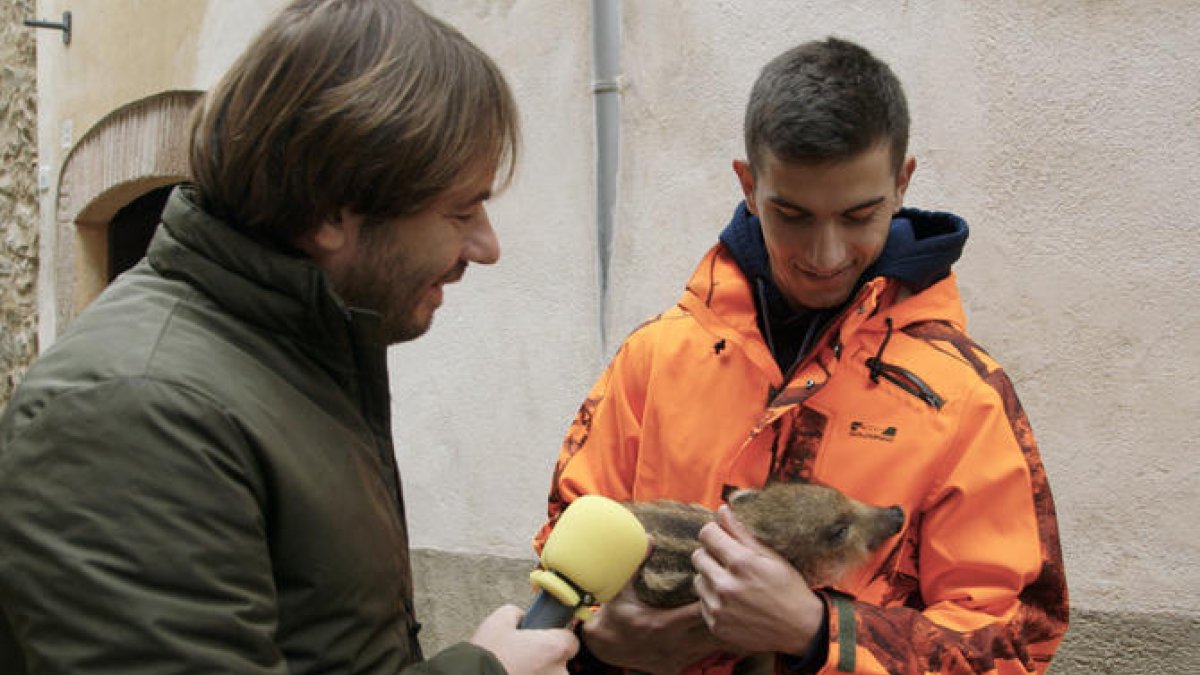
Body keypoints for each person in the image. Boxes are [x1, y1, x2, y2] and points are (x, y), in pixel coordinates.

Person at [0, 0, 577, 672]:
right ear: (330, 208)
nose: (486, 246)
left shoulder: (293, 365)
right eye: (461, 210)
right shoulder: (131, 409)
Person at [536, 37, 1068, 674]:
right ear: (748, 183)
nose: (824, 253)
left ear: (902, 184)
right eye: (790, 214)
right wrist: (597, 642)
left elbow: (1014, 643)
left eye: (858, 215)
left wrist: (822, 634)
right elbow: (567, 549)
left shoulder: (965, 397)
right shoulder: (655, 359)